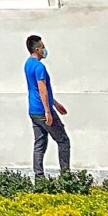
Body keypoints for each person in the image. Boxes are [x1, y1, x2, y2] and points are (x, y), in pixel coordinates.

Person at [24, 34, 70, 180]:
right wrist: (48, 111)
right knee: (63, 140)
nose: (44, 50)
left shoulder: (28, 64)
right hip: (42, 110)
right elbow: (42, 89)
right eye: (42, 47)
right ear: (37, 49)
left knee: (40, 143)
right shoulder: (39, 67)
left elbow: (39, 90)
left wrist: (55, 103)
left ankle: (39, 177)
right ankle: (65, 176)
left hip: (33, 110)